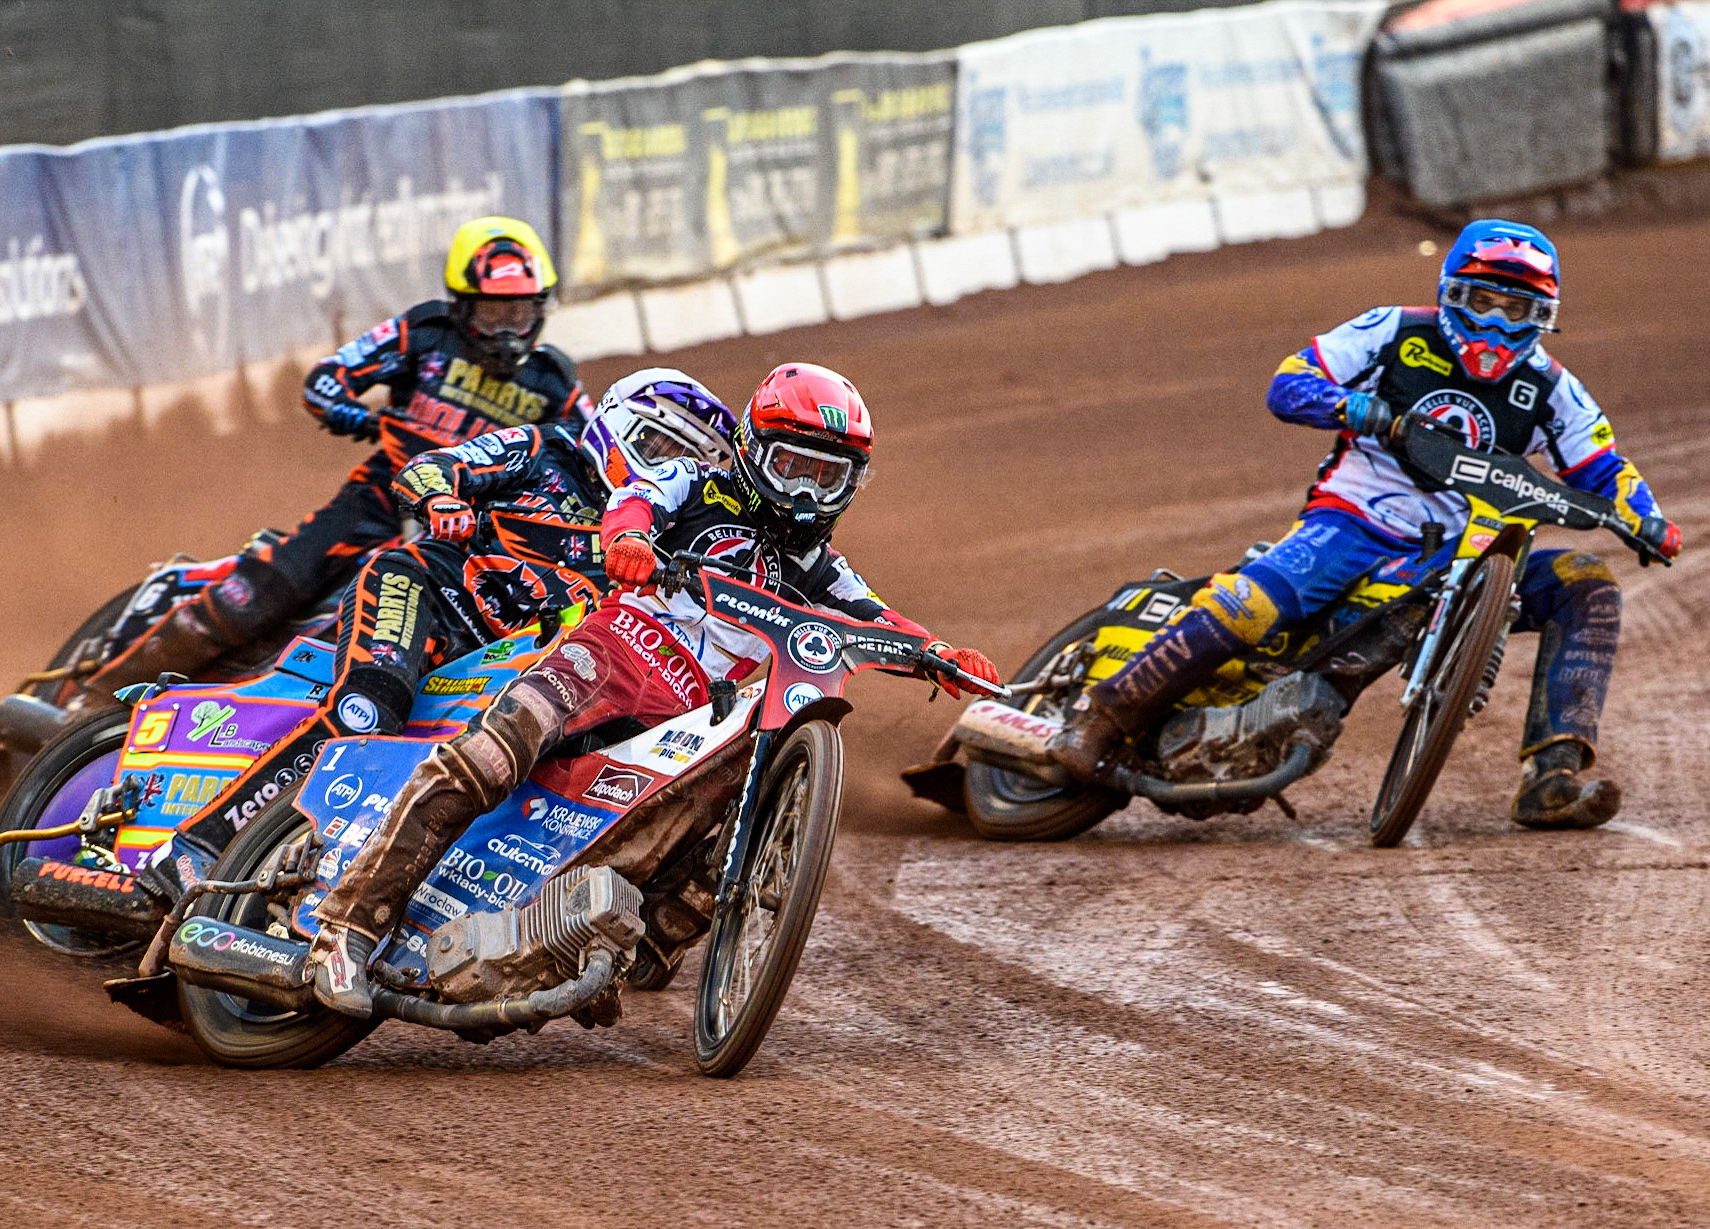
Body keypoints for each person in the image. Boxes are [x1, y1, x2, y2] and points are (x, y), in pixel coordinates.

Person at [306, 362, 1002, 1016]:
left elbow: (873, 615)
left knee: (716, 809)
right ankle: (346, 927)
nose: (801, 493)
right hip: (611, 653)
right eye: (791, 466)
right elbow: (634, 503)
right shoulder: (691, 481)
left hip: (691, 713)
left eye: (825, 478)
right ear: (753, 448)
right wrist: (629, 541)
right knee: (491, 756)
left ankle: (613, 942)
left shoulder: (819, 565)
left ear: (851, 485)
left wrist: (936, 653)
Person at [1048, 219, 1681, 830]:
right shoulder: (1391, 329)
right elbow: (1289, 383)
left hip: (1463, 548)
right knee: (1251, 605)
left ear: (1540, 319)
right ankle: (1099, 719)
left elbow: (1605, 467)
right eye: (1482, 300)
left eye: (1515, 310)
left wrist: (1647, 520)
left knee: (1586, 581)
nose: (1494, 322)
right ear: (1451, 292)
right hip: (1353, 519)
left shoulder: (1552, 389)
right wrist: (1364, 411)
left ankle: (1552, 777)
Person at [139, 370, 738, 901]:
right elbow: (428, 466)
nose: (663, 466)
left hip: (503, 663)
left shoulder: (661, 539)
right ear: (617, 426)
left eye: (683, 459)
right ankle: (195, 848)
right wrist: (443, 495)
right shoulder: (543, 448)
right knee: (366, 713)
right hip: (426, 593)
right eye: (658, 445)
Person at [83, 216, 590, 697]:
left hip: (464, 530)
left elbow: (598, 450)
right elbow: (328, 378)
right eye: (493, 311)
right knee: (261, 597)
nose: (506, 329)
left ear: (541, 309)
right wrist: (354, 415)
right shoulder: (426, 333)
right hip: (376, 503)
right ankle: (97, 698)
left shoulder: (554, 380)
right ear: (460, 306)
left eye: (519, 312)